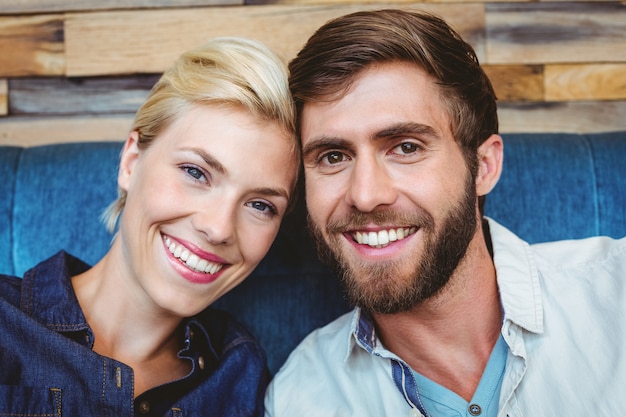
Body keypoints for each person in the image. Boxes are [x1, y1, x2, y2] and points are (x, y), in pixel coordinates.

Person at [265, 9, 626, 417]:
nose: (365, 196)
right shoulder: (300, 396)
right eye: (333, 156)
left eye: (406, 147)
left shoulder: (616, 297)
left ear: (484, 167)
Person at [0, 36, 299, 416]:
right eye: (196, 172)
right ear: (131, 162)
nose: (219, 228)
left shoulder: (242, 377)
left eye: (260, 205)